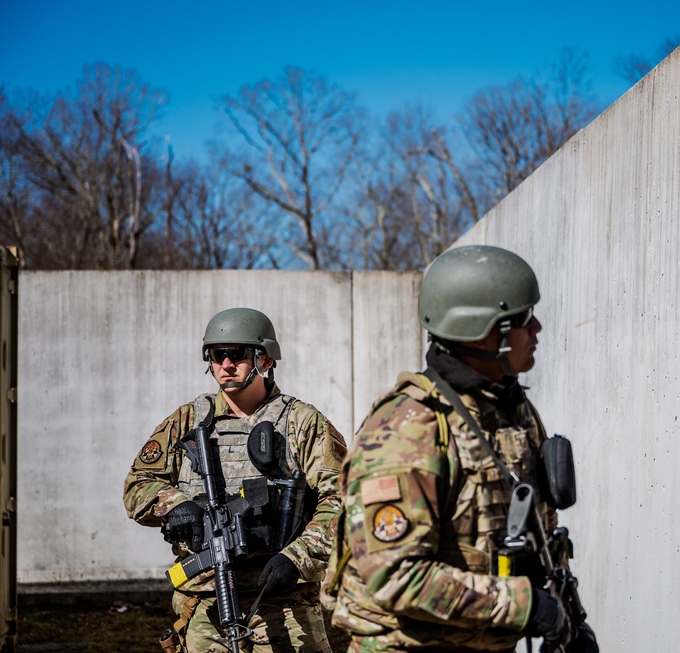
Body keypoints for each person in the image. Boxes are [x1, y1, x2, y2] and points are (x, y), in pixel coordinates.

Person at [320, 245, 597, 652]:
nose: (537, 328)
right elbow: (396, 576)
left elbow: (541, 531)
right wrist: (526, 607)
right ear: (483, 330)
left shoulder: (512, 411)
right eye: (522, 318)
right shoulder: (408, 428)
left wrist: (570, 621)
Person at [124, 307, 350, 652]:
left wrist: (299, 556)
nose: (226, 364)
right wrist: (174, 505)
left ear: (266, 360)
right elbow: (137, 484)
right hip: (204, 603)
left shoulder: (302, 422)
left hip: (282, 601)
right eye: (217, 355)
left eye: (238, 355)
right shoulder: (188, 420)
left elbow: (344, 500)